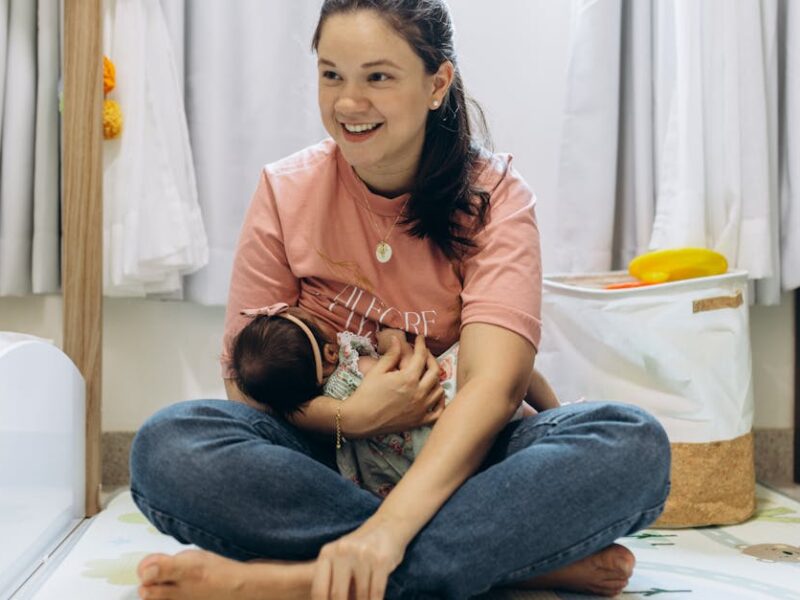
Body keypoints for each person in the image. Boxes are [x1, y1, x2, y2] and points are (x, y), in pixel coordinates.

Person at [129, 1, 671, 599]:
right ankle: (501, 561)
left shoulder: (497, 197)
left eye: (378, 76)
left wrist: (388, 532)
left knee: (630, 441)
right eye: (332, 74)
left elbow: (495, 388)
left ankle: (306, 580)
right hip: (325, 463)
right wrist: (351, 418)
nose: (348, 102)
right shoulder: (286, 191)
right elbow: (248, 386)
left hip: (468, 463)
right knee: (169, 446)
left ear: (437, 84)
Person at [230, 301, 560, 497]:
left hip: (399, 467)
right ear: (330, 353)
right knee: (509, 365)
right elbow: (404, 377)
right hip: (439, 415)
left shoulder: (310, 408)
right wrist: (394, 342)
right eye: (313, 321)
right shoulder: (352, 368)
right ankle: (556, 415)